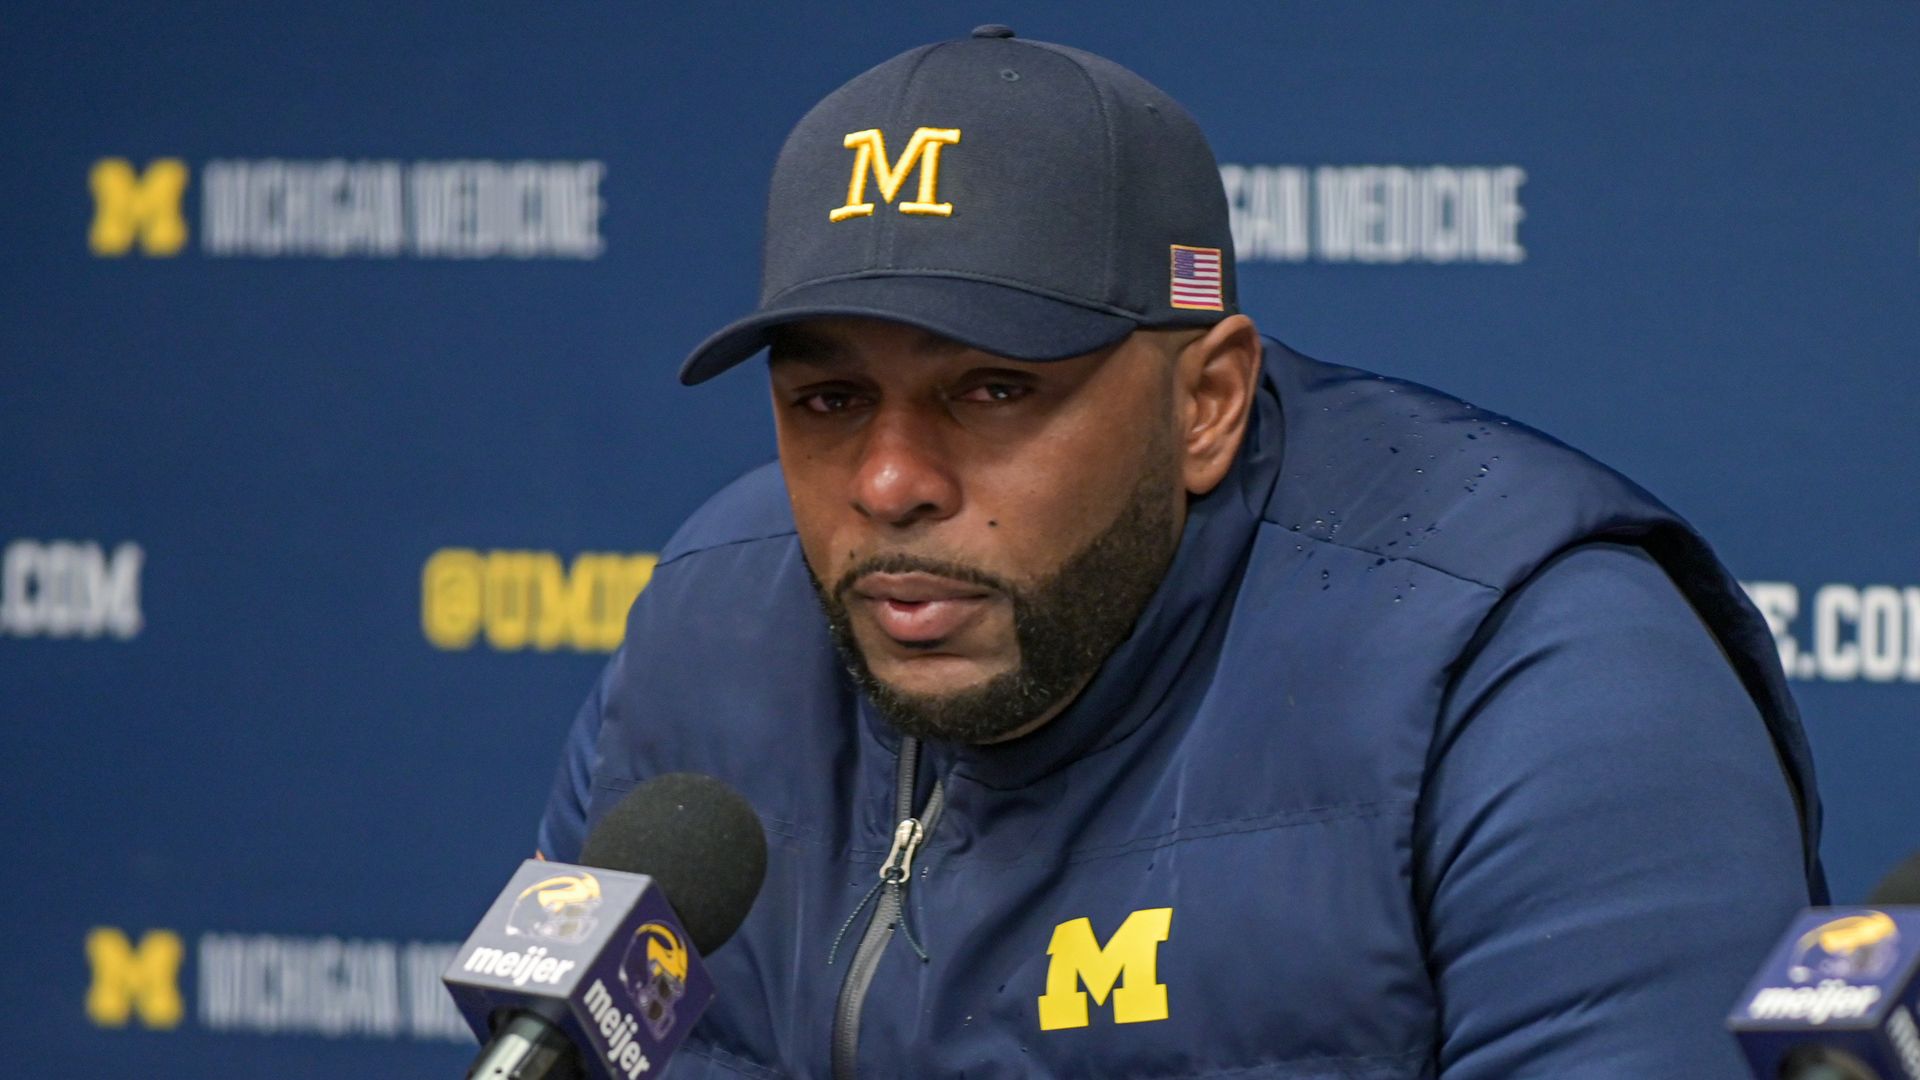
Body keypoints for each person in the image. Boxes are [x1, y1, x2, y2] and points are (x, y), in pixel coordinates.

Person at [539, 26, 1825, 1078]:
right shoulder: (707, 632)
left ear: (1205, 400)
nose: (889, 484)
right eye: (829, 401)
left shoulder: (1544, 676)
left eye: (993, 392)